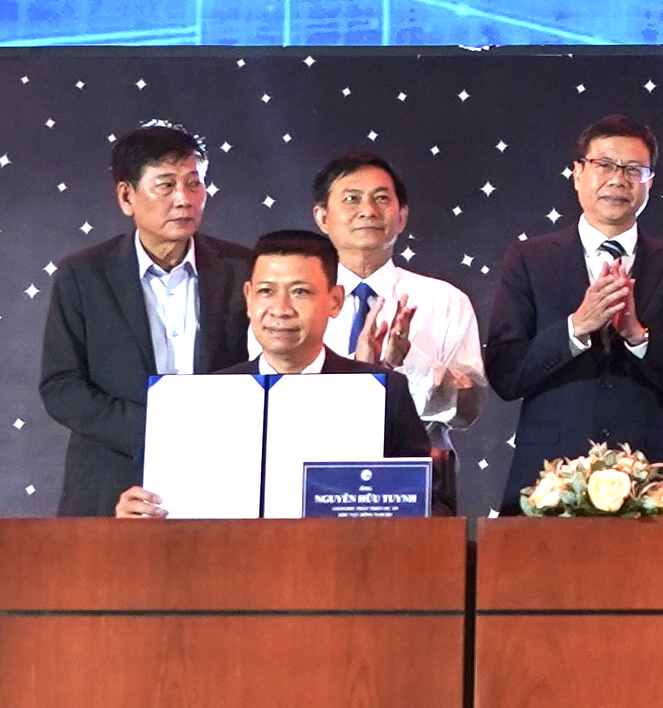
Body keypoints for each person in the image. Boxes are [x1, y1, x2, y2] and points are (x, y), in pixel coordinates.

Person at [115, 230, 435, 518]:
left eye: (299, 292)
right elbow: (164, 502)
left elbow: (431, 505)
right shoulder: (200, 399)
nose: (281, 309)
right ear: (249, 297)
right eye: (266, 291)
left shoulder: (380, 392)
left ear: (334, 300)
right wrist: (138, 512)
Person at [485, 115, 663, 515]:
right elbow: (506, 374)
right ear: (578, 174)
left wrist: (639, 337)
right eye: (604, 165)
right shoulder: (528, 259)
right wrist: (576, 327)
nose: (618, 179)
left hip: (649, 477)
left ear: (650, 181)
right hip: (546, 479)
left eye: (634, 169)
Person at [40, 122, 252, 517]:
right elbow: (61, 386)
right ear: (126, 196)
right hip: (112, 481)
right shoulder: (83, 275)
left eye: (194, 184)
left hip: (222, 478)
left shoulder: (243, 269)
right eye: (166, 185)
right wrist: (158, 432)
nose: (184, 199)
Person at [308, 151, 487, 505]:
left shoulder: (445, 300)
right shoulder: (297, 300)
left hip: (415, 476)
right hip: (313, 469)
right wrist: (360, 371)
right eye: (351, 199)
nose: (368, 211)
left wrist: (408, 361)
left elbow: (468, 408)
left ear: (402, 216)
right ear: (323, 217)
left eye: (381, 199)